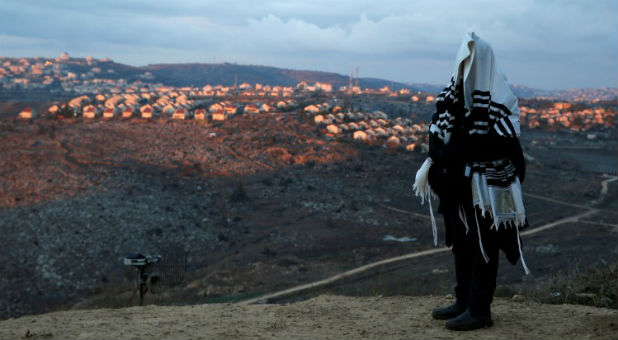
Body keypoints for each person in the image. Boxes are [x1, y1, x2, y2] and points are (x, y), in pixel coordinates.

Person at [413, 32, 529, 331]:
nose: (467, 70)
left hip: (488, 189)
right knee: (462, 242)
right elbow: (438, 132)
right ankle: (463, 300)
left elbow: (501, 144)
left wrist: (453, 154)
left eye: (472, 63)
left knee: (485, 244)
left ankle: (479, 309)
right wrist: (445, 156)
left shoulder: (501, 100)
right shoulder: (451, 97)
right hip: (459, 186)